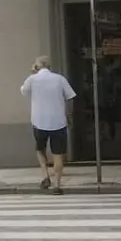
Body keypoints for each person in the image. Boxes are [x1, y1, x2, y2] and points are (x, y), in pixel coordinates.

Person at [20, 56, 77, 194]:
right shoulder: (60, 79)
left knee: (40, 149)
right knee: (58, 154)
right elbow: (70, 97)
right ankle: (57, 184)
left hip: (39, 121)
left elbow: (23, 91)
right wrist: (69, 116)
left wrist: (32, 74)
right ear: (50, 67)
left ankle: (45, 176)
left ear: (36, 67)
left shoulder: (32, 79)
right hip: (58, 121)